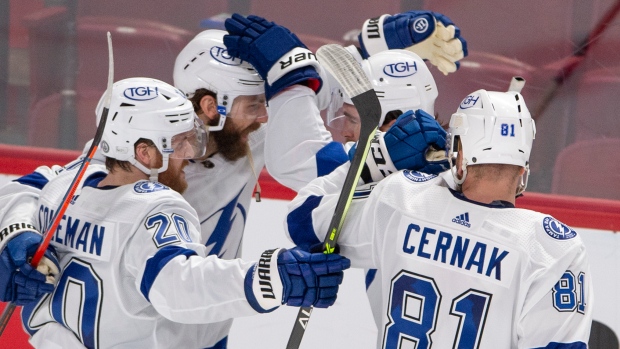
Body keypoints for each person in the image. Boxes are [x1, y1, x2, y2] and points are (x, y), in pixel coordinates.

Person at [20, 77, 350, 349]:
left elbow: (21, 193)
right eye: (178, 143)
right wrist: (274, 276)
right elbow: (177, 285)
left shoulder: (60, 187)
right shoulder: (155, 207)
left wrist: (11, 234)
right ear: (145, 152)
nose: (188, 154)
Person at [284, 87, 593, 348]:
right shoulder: (551, 249)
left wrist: (375, 161)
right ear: (524, 167)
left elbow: (302, 222)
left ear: (457, 153)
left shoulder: (402, 198)